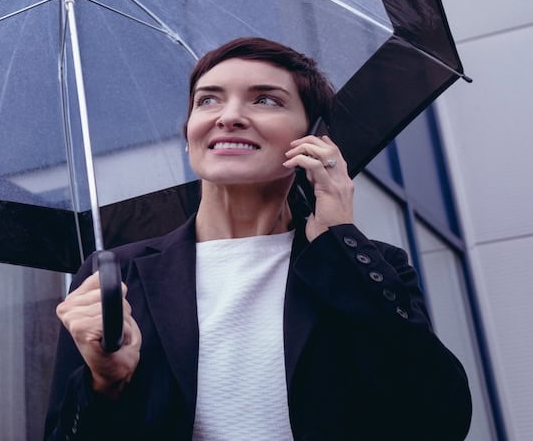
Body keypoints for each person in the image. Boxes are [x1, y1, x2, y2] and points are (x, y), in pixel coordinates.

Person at [44, 37, 472, 440]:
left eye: (265, 99)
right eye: (207, 100)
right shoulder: (117, 276)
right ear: (189, 133)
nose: (228, 116)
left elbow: (437, 416)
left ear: (315, 136)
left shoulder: (366, 266)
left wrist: (339, 237)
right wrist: (104, 383)